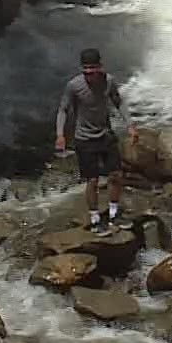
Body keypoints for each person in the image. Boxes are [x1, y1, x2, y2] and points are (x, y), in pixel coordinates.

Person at [55, 47, 135, 235]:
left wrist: (130, 125)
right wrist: (60, 135)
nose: (89, 73)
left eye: (93, 68)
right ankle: (95, 218)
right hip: (84, 139)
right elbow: (63, 110)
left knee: (116, 175)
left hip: (106, 134)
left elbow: (118, 102)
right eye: (86, 69)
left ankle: (114, 213)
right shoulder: (74, 86)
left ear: (100, 67)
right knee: (92, 180)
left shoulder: (108, 81)